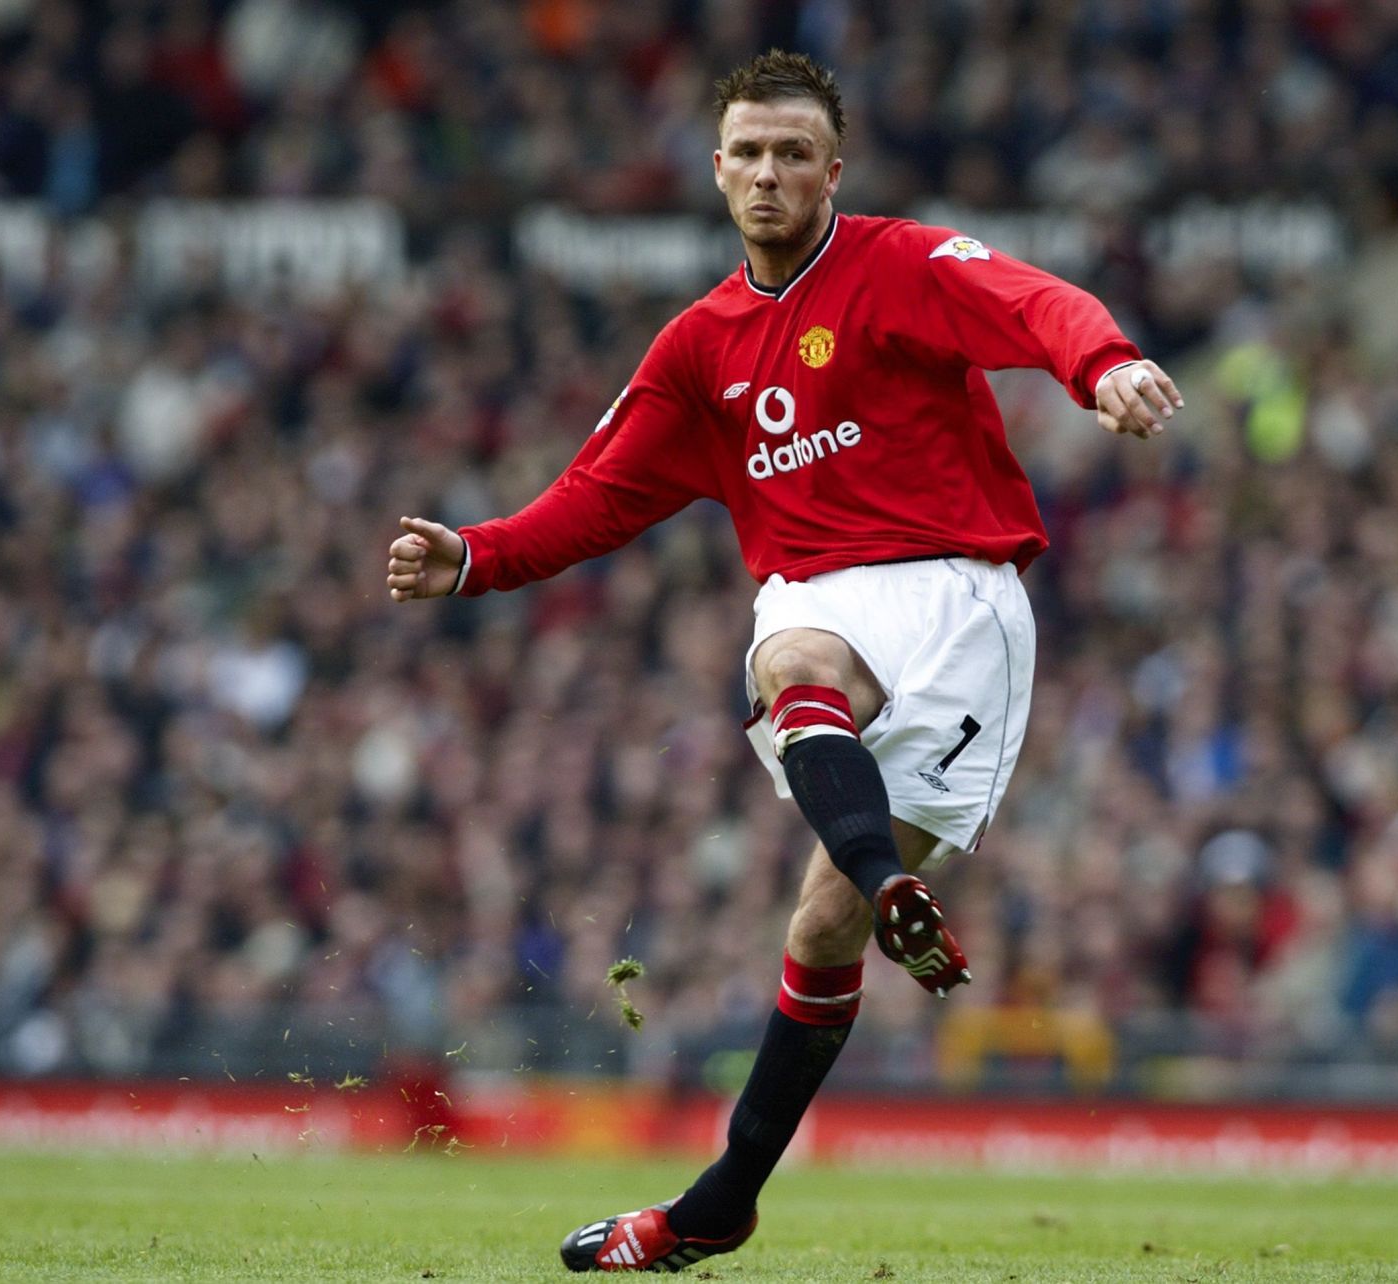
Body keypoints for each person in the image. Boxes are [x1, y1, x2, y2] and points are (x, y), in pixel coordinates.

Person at [386, 50, 1180, 1274]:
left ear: (831, 171)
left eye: (792, 154)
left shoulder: (901, 265)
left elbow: (1035, 302)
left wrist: (1105, 362)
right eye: (747, 153)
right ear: (715, 171)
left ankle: (728, 1186)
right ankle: (747, 1155)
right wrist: (477, 559)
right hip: (818, 597)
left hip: (962, 597)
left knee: (820, 928)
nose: (768, 174)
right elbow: (597, 497)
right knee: (791, 651)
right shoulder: (699, 346)